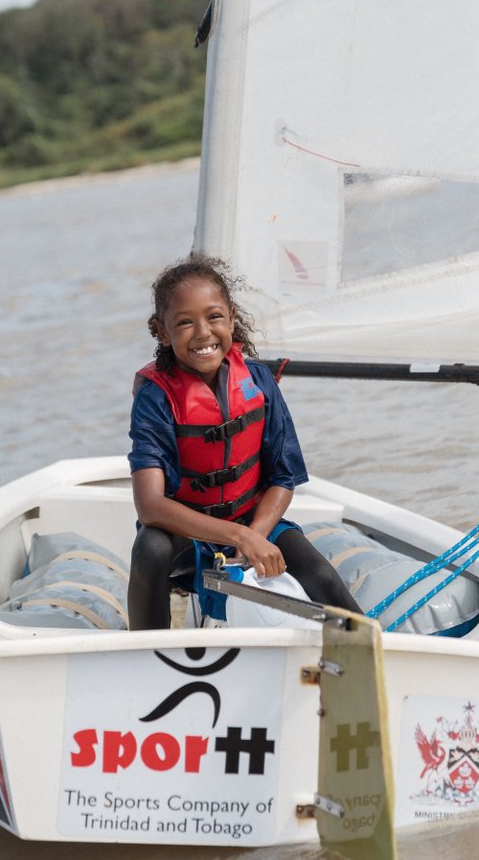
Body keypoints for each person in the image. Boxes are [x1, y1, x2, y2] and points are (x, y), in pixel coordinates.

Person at [127, 252, 361, 629]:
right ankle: (145, 650)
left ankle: (369, 648)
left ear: (232, 317)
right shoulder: (156, 397)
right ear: (161, 331)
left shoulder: (258, 381)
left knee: (322, 576)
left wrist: (255, 535)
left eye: (214, 317)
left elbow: (283, 478)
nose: (203, 333)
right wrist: (237, 536)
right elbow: (150, 507)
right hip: (188, 537)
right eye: (184, 322)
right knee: (150, 548)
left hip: (255, 522)